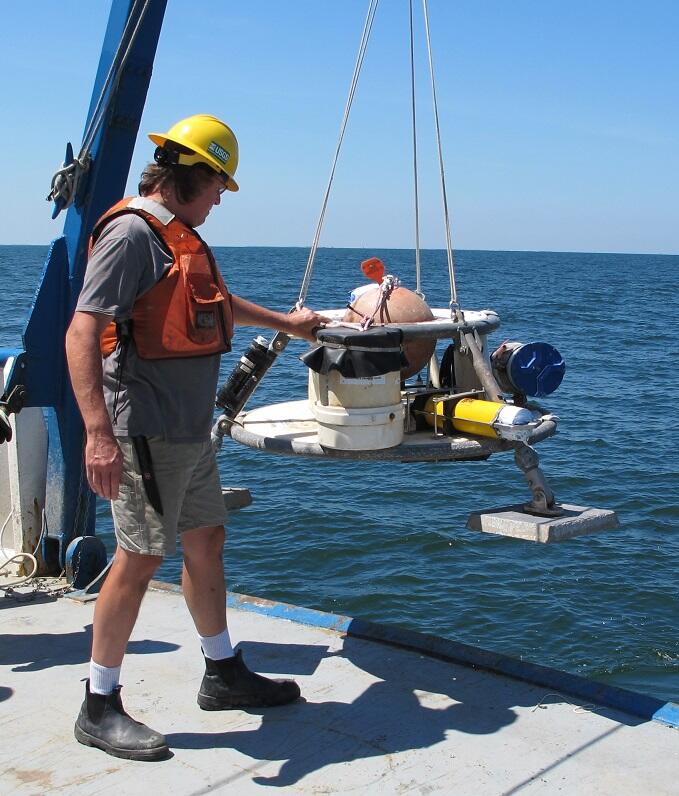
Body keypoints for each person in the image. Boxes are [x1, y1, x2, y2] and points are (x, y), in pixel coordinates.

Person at [65, 114, 328, 761]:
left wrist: (286, 323)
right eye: (218, 187)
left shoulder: (175, 237)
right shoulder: (131, 234)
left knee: (206, 537)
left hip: (189, 432)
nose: (219, 199)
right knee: (140, 557)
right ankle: (99, 704)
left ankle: (222, 672)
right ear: (193, 174)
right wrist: (98, 434)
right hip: (146, 432)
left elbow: (217, 303)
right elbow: (80, 331)